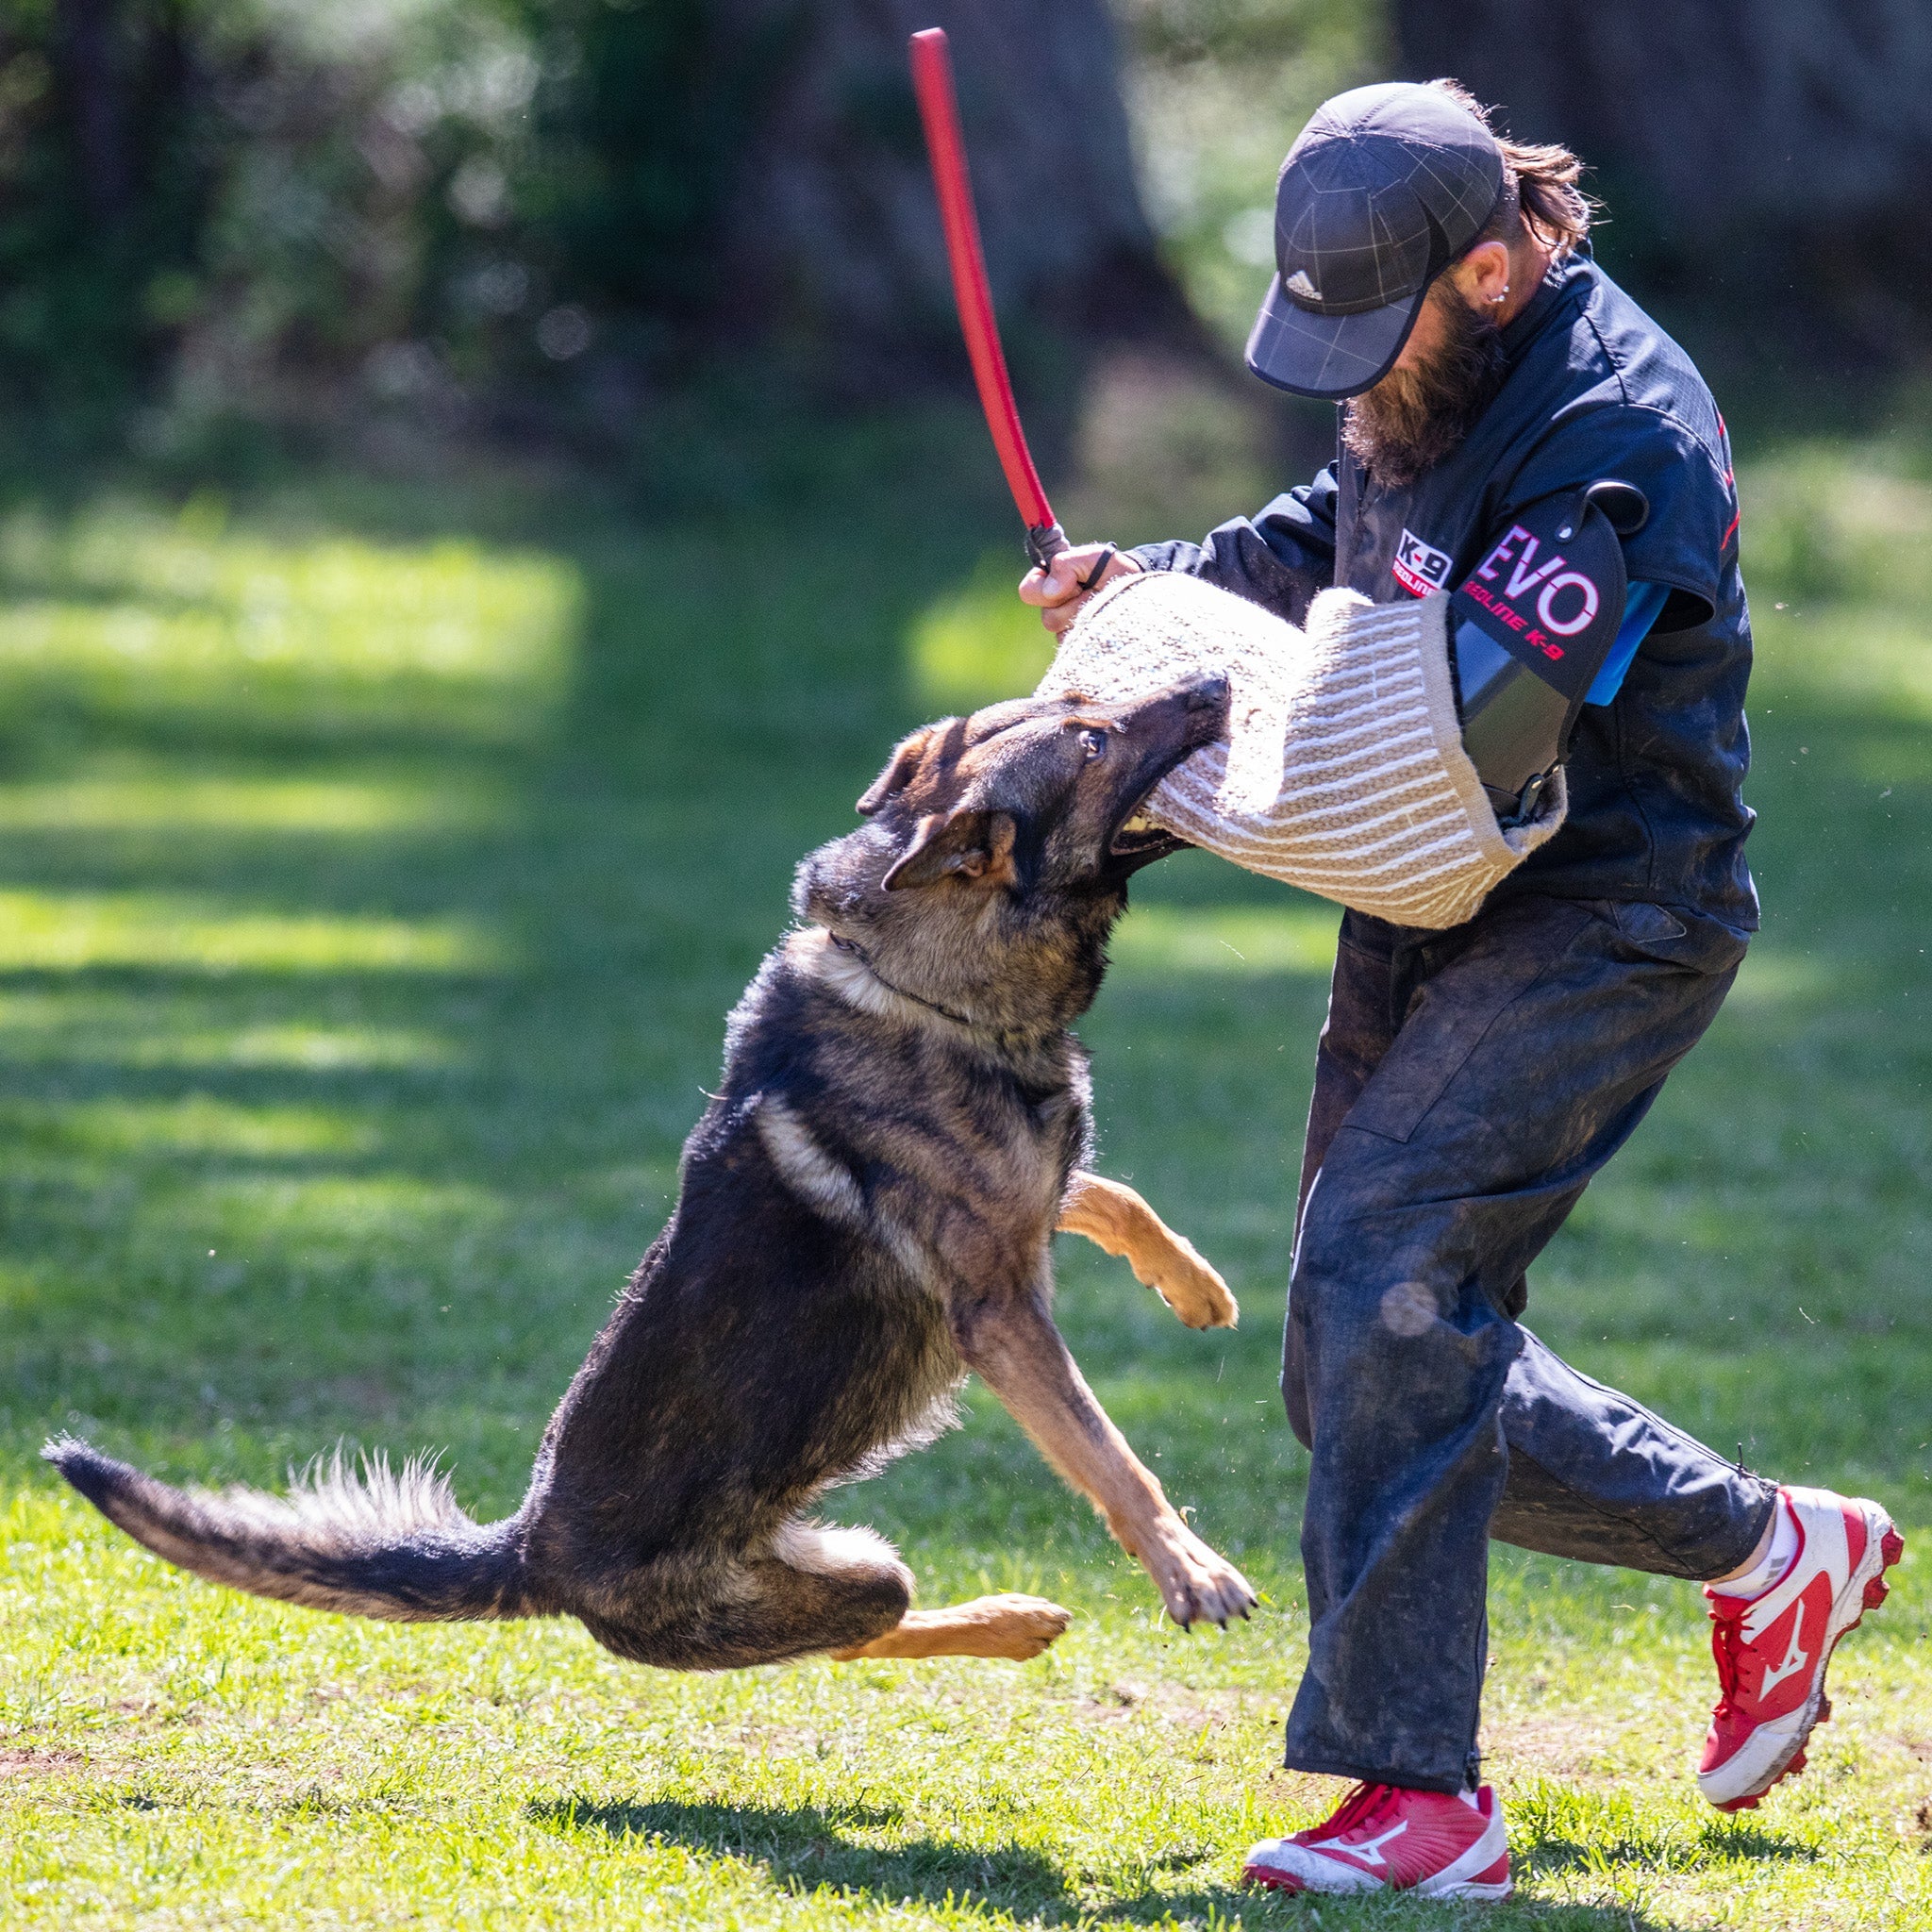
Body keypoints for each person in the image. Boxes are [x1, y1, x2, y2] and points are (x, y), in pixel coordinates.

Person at [1021, 79, 1902, 1904]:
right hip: (1438, 899)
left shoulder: (1614, 445)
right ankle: (1767, 1552)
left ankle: (1420, 1802)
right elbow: (1326, 543)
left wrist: (1167, 775)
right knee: (1349, 1364)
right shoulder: (1419, 371)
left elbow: (1459, 751)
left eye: (1372, 335)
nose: (1348, 379)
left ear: (1495, 270)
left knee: (1383, 1291)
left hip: (1603, 911)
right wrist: (1147, 595)